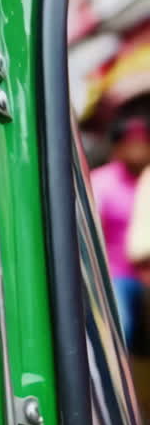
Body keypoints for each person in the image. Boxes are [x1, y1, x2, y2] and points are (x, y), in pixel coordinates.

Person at [90, 115, 150, 346]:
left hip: (145, 274)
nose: (138, 150)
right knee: (120, 327)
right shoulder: (102, 182)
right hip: (115, 275)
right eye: (131, 143)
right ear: (118, 147)